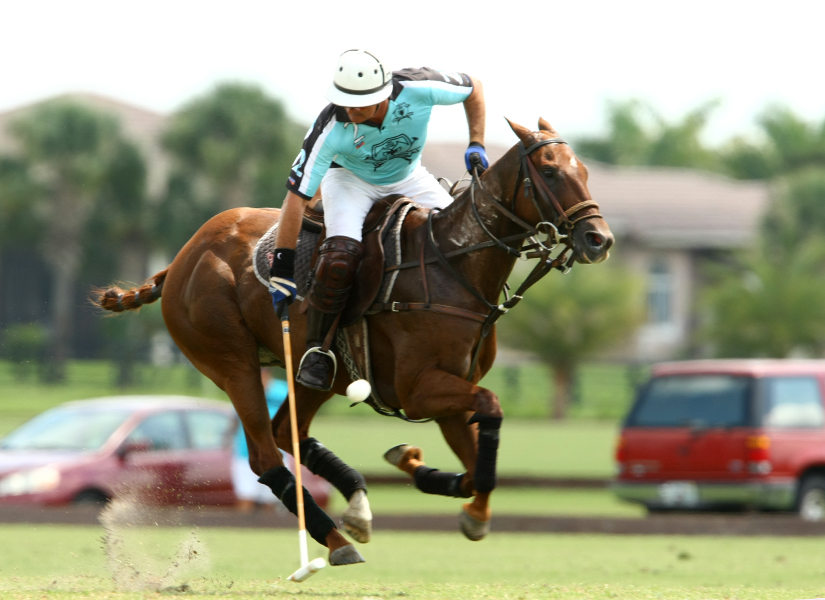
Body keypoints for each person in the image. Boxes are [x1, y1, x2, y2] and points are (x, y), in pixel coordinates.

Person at [268, 49, 488, 391]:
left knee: (467, 240)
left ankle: (472, 323)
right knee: (340, 257)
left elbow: (473, 87)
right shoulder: (330, 127)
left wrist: (477, 142)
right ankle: (318, 350)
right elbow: (296, 197)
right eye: (345, 102)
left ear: (384, 94)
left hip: (409, 177)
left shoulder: (418, 87)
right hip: (348, 182)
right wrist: (282, 266)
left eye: (359, 103)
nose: (350, 110)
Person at [232, 369, 288, 512]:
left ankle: (268, 526)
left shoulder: (284, 391)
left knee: (270, 500)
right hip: (247, 454)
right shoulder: (244, 390)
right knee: (246, 497)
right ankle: (244, 526)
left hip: (275, 455)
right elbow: (235, 420)